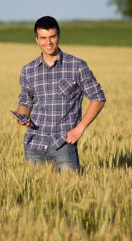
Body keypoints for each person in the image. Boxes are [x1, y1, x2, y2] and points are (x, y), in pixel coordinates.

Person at [14, 16, 106, 172]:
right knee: (34, 194)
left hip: (63, 144)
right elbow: (25, 103)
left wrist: (80, 128)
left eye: (52, 37)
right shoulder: (28, 70)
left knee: (69, 192)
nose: (48, 42)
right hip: (34, 144)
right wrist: (21, 117)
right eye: (43, 38)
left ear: (58, 36)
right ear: (37, 40)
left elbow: (98, 98)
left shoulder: (77, 66)